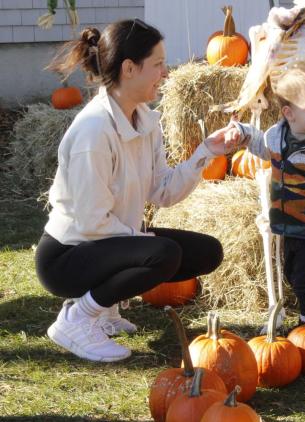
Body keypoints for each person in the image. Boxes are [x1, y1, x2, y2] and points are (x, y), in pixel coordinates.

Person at [35, 19, 239, 362]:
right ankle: (77, 318)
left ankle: (105, 311)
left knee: (207, 252)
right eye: (158, 64)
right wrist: (140, 242)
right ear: (130, 68)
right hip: (66, 257)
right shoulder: (94, 131)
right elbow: (90, 222)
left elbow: (163, 192)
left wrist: (206, 152)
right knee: (162, 253)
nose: (166, 72)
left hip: (106, 242)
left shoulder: (146, 120)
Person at [230, 63, 305, 325]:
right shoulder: (278, 137)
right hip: (289, 226)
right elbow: (262, 147)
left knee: (304, 281)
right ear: (289, 113)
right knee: (292, 274)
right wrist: (243, 134)